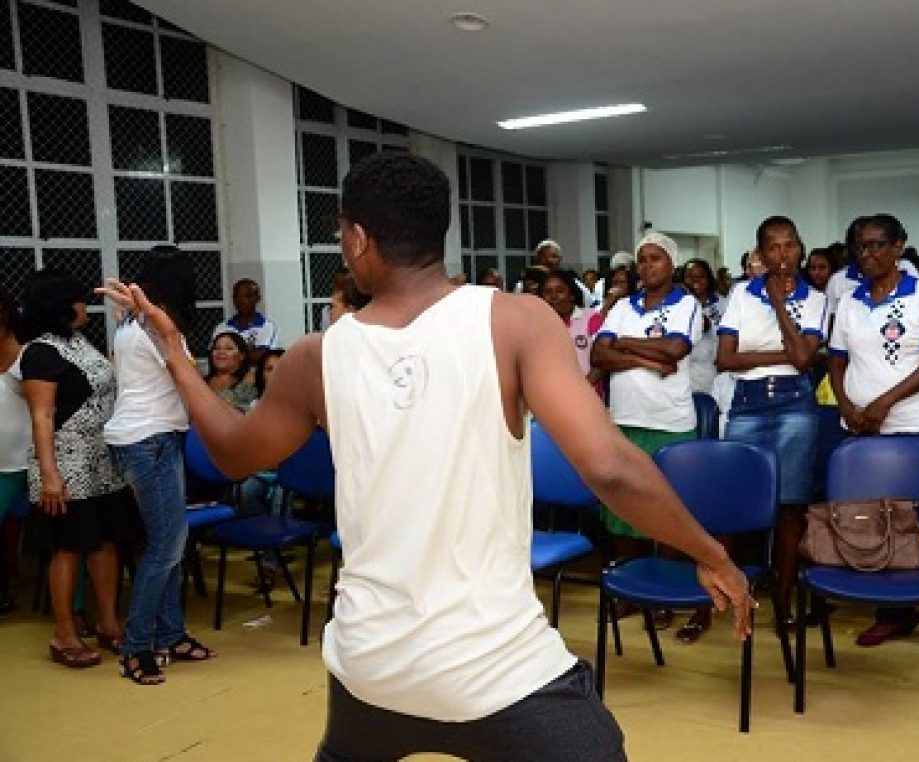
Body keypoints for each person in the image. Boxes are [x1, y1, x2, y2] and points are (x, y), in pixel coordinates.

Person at [99, 152, 751, 762]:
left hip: (369, 671)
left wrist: (175, 351)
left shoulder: (317, 356)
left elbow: (233, 454)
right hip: (495, 672)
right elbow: (608, 466)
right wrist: (711, 553)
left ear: (358, 238)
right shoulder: (516, 321)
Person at [826, 214, 919, 657]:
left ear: (899, 246)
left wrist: (884, 403)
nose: (868, 254)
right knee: (877, 525)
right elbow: (837, 360)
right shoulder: (850, 300)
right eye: (861, 246)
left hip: (916, 426)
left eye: (877, 245)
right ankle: (893, 613)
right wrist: (846, 406)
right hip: (863, 430)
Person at [103, 246, 216, 685]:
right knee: (165, 546)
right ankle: (136, 648)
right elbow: (185, 378)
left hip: (151, 437)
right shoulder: (155, 324)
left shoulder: (138, 320)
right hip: (148, 440)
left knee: (171, 542)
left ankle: (170, 634)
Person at [19, 270, 136, 670]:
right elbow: (41, 416)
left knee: (105, 542)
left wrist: (125, 327)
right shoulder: (39, 352)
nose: (87, 306)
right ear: (62, 306)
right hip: (65, 463)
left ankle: (108, 621)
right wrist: (50, 474)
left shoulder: (79, 341)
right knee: (67, 547)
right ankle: (65, 632)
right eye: (80, 300)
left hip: (101, 458)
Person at [717, 215, 826, 639]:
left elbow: (804, 361)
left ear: (800, 248)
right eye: (773, 247)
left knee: (790, 506)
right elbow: (725, 358)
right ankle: (727, 593)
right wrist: (784, 354)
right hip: (747, 404)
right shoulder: (741, 294)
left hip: (795, 402)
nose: (783, 255)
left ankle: (783, 600)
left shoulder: (815, 299)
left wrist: (780, 305)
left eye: (790, 245)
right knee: (733, 503)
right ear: (761, 254)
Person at [592, 232, 702, 568]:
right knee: (623, 508)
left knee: (668, 509)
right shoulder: (623, 306)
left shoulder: (687, 305)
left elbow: (675, 349)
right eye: (642, 259)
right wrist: (648, 360)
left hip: (669, 422)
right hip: (624, 420)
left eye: (656, 258)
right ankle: (629, 581)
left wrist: (624, 342)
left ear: (673, 264)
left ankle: (664, 585)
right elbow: (599, 355)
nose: (647, 265)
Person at [0, 286, 29, 614]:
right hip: (2, 466)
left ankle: (76, 611)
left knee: (65, 536)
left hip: (34, 462)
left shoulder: (28, 357)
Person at [541, 270, 605, 395]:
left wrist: (581, 390)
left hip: (587, 395)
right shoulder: (537, 324)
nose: (553, 296)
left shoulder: (591, 318)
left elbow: (602, 360)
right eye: (548, 292)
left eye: (560, 291)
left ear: (572, 295)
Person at [681, 258, 726, 396]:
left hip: (717, 373)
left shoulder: (723, 304)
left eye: (701, 276)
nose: (696, 281)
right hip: (687, 374)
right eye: (690, 277)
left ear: (709, 278)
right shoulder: (678, 306)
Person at [213, 278, 278, 358]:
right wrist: (248, 351)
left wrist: (230, 352)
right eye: (237, 296)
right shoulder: (222, 328)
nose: (241, 301)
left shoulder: (267, 327)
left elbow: (263, 357)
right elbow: (214, 357)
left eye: (247, 296)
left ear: (257, 299)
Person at [205, 331, 257, 410]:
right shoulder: (202, 381)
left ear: (242, 355)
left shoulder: (250, 380)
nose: (221, 352)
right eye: (216, 348)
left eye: (229, 348)